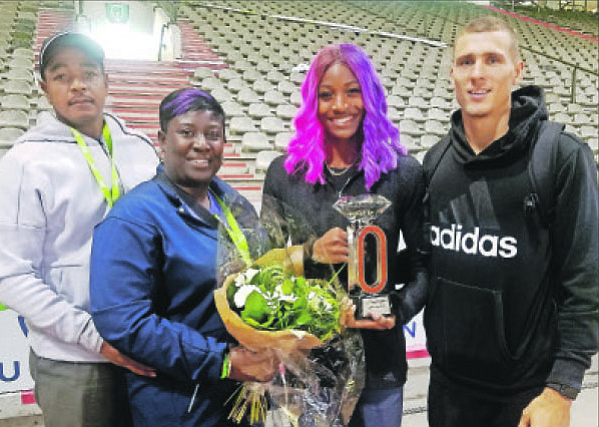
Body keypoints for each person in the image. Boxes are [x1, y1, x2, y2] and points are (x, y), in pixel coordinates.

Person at [422, 17, 598, 427]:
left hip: (526, 396)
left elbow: (584, 284)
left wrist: (562, 390)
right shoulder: (436, 162)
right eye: (465, 61)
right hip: (447, 391)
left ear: (517, 71)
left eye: (492, 59)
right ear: (452, 74)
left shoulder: (561, 156)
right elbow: (423, 264)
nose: (477, 73)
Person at [0, 32, 159, 427]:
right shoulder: (25, 163)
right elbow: (9, 275)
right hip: (75, 363)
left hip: (148, 347)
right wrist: (94, 337)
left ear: (106, 80)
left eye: (89, 73)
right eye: (61, 76)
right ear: (43, 87)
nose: (78, 84)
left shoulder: (141, 147)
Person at [89, 88, 279, 427]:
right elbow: (123, 320)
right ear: (163, 139)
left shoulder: (234, 203)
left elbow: (262, 275)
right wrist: (222, 360)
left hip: (243, 394)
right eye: (187, 132)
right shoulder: (134, 217)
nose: (202, 144)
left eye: (213, 134)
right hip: (180, 404)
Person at [261, 44, 427, 427]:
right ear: (311, 101)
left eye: (353, 91)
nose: (340, 105)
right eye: (326, 94)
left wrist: (397, 311)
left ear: (370, 96)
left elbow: (424, 264)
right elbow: (262, 270)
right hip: (310, 364)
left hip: (381, 363)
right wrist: (310, 252)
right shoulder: (283, 174)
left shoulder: (403, 173)